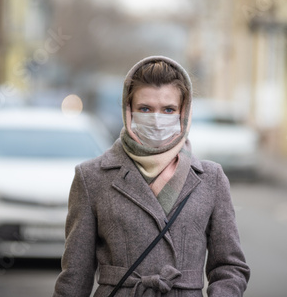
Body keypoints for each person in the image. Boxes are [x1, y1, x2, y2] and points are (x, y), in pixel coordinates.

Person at [53, 56, 250, 296]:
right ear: (129, 110)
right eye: (145, 109)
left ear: (183, 112)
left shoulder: (211, 178)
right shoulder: (91, 176)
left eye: (168, 109)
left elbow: (230, 267)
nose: (157, 120)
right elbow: (75, 274)